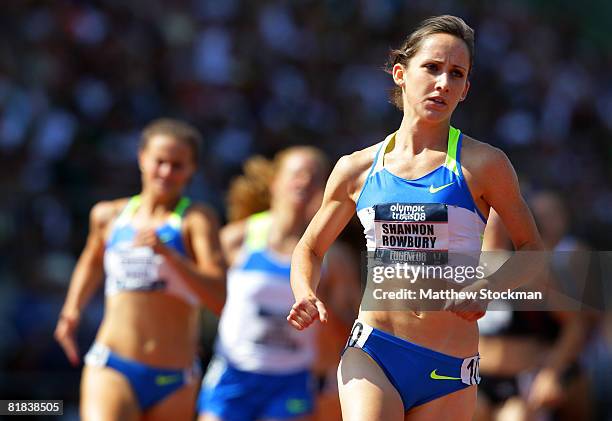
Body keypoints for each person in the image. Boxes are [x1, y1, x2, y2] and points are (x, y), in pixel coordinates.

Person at [287, 15, 543, 421]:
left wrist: (488, 287)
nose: (443, 82)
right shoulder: (356, 168)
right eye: (432, 68)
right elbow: (311, 247)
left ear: (465, 90)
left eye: (456, 74)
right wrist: (305, 291)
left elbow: (532, 250)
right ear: (400, 74)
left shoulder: (484, 164)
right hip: (374, 350)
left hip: (449, 367)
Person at [54, 118, 226, 421]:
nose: (166, 172)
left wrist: (170, 256)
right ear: (142, 158)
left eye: (177, 165)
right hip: (113, 365)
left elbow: (219, 296)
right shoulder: (109, 216)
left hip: (174, 378)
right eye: (159, 161)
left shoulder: (195, 220)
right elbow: (92, 260)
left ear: (192, 169)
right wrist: (72, 310)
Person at [197, 147, 360, 421]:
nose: (305, 181)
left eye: (315, 177)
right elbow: (199, 296)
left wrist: (322, 309)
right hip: (233, 374)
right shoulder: (237, 241)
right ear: (275, 182)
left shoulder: (334, 258)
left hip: (292, 381)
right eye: (298, 173)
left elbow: (351, 333)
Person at [475, 194, 593, 421]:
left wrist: (552, 371)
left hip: (521, 384)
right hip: (476, 379)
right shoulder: (454, 269)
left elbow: (575, 326)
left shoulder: (531, 271)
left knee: (515, 417)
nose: (490, 220)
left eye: (496, 213)